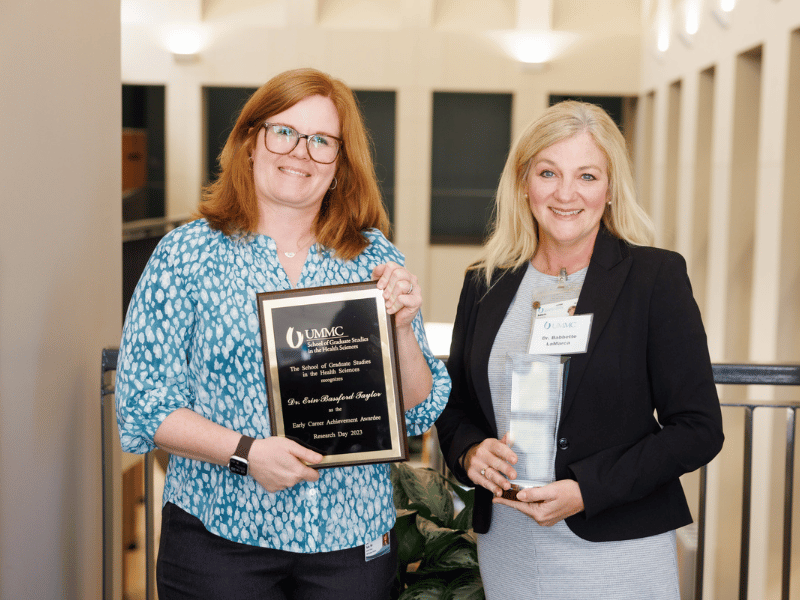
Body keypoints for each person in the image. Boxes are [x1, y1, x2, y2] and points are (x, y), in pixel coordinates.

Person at [116, 68, 451, 600]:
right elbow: (143, 403)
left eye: (322, 141)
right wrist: (247, 453)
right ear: (250, 142)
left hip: (350, 541)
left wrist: (404, 331)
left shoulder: (373, 258)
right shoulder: (185, 255)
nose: (301, 152)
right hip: (218, 538)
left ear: (340, 163)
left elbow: (417, 408)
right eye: (284, 132)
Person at [435, 100, 723, 599]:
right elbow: (455, 405)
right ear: (524, 184)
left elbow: (698, 429)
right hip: (510, 544)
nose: (566, 193)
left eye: (587, 176)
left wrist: (587, 491)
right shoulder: (484, 283)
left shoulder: (654, 278)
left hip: (617, 548)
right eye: (549, 173)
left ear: (610, 189)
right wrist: (470, 450)